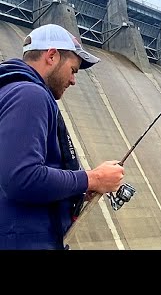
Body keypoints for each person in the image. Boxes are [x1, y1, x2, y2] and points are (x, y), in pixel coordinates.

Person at [0, 23, 125, 250]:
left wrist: (76, 189)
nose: (73, 80)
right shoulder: (30, 95)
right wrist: (93, 178)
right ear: (51, 56)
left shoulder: (10, 91)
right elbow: (21, 178)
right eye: (73, 70)